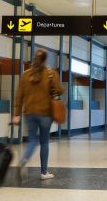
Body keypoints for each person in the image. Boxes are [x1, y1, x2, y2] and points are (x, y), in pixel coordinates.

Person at [13, 50, 63, 180]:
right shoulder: (51, 74)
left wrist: (16, 114)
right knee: (44, 142)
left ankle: (24, 160)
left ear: (34, 59)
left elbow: (19, 96)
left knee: (32, 140)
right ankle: (44, 172)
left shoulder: (25, 75)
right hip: (46, 113)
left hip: (29, 113)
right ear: (45, 60)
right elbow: (59, 90)